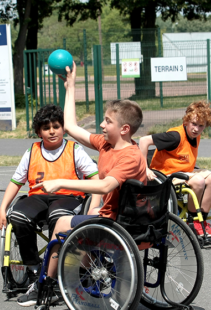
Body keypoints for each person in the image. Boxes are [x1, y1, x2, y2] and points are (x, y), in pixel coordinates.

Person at [31, 62, 147, 286]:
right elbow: (72, 127)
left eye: (108, 121)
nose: (102, 125)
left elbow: (104, 186)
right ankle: (84, 272)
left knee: (63, 223)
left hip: (119, 223)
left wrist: (60, 183)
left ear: (124, 129)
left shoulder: (129, 157)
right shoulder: (107, 144)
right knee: (92, 210)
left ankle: (47, 283)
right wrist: (70, 86)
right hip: (118, 215)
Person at [0, 104, 100, 307]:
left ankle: (56, 270)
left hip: (68, 196)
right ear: (38, 132)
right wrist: (3, 208)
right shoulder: (32, 151)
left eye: (56, 126)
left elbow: (96, 179)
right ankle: (34, 268)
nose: (52, 131)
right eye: (46, 128)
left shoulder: (74, 149)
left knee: (58, 216)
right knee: (18, 216)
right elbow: (16, 182)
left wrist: (92, 209)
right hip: (38, 196)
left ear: (63, 128)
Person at [139, 100, 211, 236]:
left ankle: (202, 220)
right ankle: (193, 220)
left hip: (184, 172)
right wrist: (145, 168)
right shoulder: (175, 136)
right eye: (194, 124)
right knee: (199, 181)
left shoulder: (196, 135)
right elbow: (144, 141)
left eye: (201, 126)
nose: (196, 129)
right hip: (165, 175)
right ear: (186, 121)